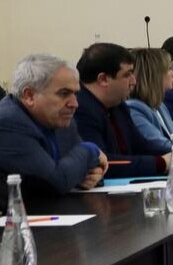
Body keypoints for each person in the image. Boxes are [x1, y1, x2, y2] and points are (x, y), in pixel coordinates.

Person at [0, 54, 107, 196]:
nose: (74, 104)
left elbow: (85, 169)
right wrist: (90, 149)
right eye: (64, 93)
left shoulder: (60, 119)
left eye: (75, 94)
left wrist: (92, 176)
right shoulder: (7, 122)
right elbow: (57, 181)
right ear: (29, 96)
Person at [74, 42, 173, 177]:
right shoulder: (80, 110)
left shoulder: (119, 106)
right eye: (127, 75)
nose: (134, 81)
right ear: (103, 79)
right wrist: (160, 163)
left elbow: (140, 145)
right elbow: (101, 162)